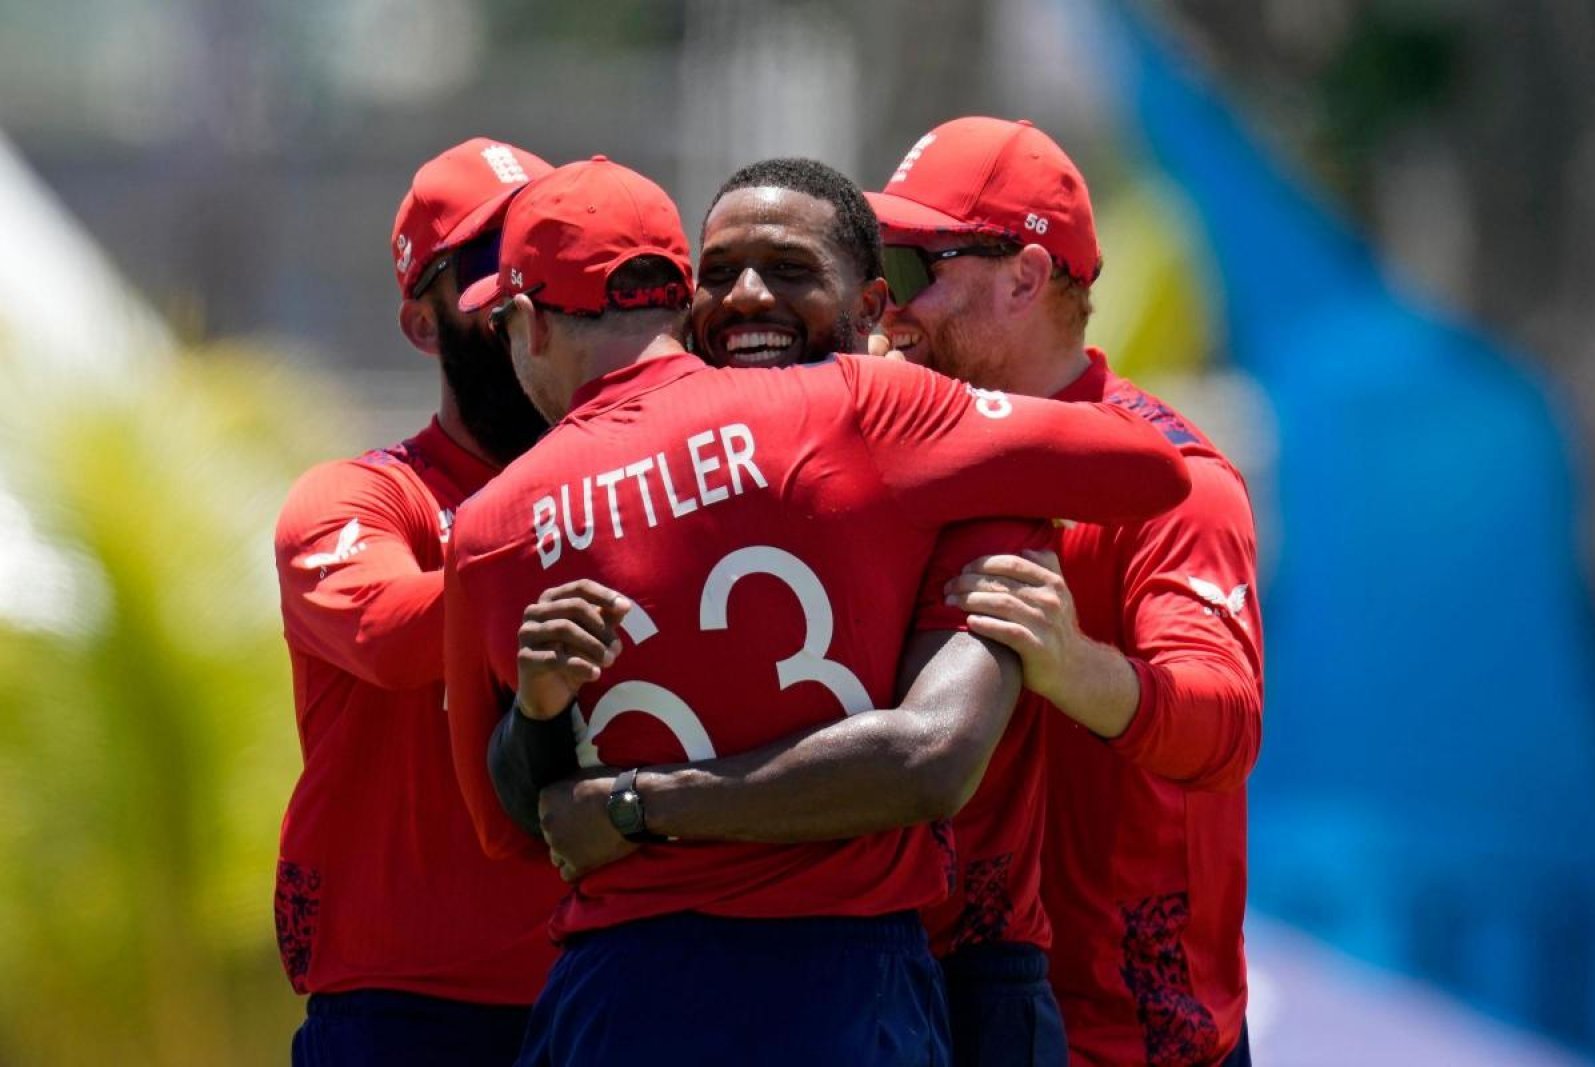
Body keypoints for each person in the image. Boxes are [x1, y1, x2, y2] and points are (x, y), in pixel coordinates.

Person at [441, 155, 1193, 1066]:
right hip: (841, 977)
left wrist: (634, 797)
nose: (749, 297)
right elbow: (1148, 465)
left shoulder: (492, 523)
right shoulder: (879, 410)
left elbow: (522, 824)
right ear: (679, 302)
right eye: (719, 276)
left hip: (637, 984)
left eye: (790, 271)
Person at [869, 116, 1263, 1067]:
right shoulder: (901, 450)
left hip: (1133, 1039)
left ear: (1026, 278)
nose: (888, 303)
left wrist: (1073, 665)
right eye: (876, 266)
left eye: (917, 265)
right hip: (948, 1014)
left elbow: (1225, 723)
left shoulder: (1175, 480)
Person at [272, 137, 568, 1066]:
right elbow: (393, 632)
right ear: (421, 324)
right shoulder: (359, 498)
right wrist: (609, 542)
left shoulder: (630, 483)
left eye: (541, 247)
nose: (518, 286)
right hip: (402, 1014)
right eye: (485, 264)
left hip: (599, 989)